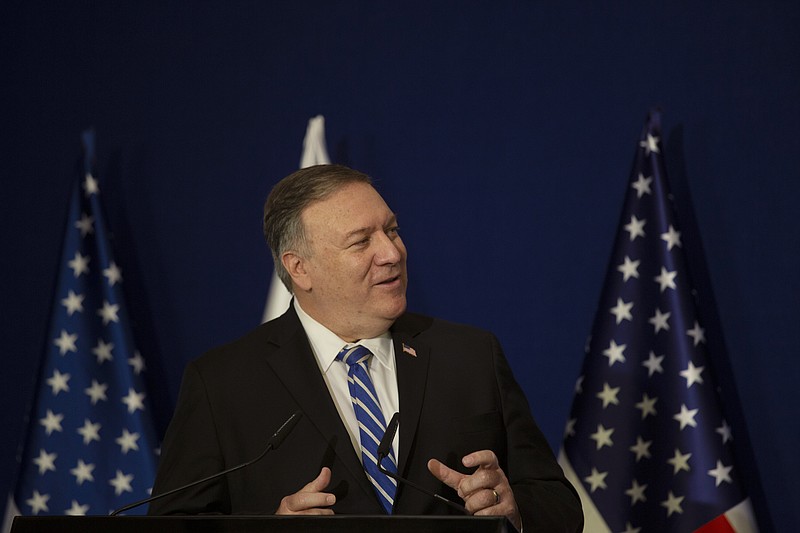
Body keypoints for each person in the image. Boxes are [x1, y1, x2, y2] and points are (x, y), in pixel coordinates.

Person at [148, 164, 583, 532]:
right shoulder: (223, 382)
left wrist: (514, 510)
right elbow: (173, 521)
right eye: (362, 242)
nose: (392, 253)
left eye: (392, 231)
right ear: (300, 268)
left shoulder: (470, 356)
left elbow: (558, 503)